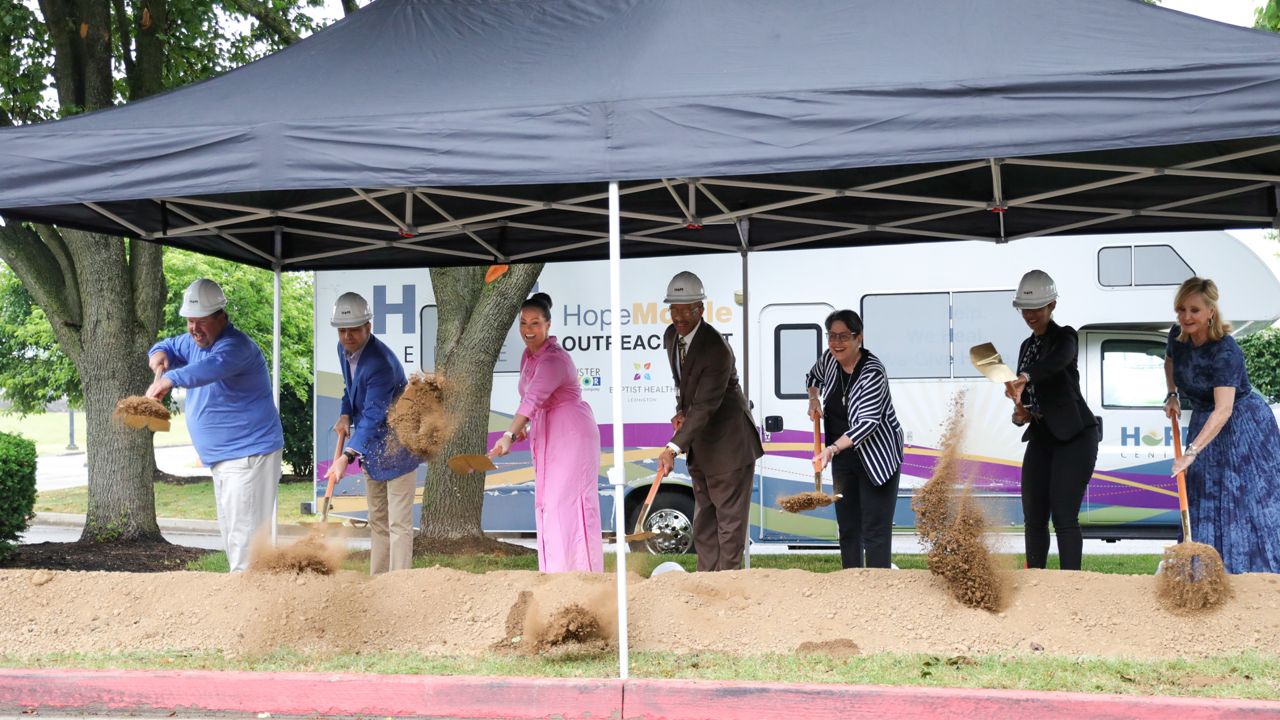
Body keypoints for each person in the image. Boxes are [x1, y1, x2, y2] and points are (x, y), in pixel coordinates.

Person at [146, 278, 283, 573]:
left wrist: (168, 379)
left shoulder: (236, 347)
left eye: (201, 321)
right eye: (189, 321)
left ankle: (248, 605)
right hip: (225, 458)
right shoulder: (195, 341)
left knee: (245, 540)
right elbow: (166, 345)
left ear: (221, 317)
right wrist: (157, 356)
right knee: (235, 534)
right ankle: (247, 599)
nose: (194, 329)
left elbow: (207, 369)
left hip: (248, 455)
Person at [1164, 277, 1280, 574]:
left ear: (1211, 312)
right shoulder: (1177, 335)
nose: (1185, 317)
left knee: (1239, 496)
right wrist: (1172, 394)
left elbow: (1224, 409)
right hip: (1206, 418)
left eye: (1194, 310)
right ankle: (1200, 571)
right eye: (1181, 309)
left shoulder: (1225, 351)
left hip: (1242, 426)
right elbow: (1169, 362)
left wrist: (1191, 452)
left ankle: (1249, 574)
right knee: (1202, 491)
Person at [657, 271, 763, 572]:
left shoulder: (716, 349)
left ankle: (728, 589)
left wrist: (673, 447)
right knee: (704, 519)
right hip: (702, 446)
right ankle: (705, 582)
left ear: (700, 309)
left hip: (730, 445)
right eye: (673, 309)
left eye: (685, 310)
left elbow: (705, 405)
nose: (678, 317)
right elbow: (685, 387)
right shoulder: (671, 337)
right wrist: (680, 410)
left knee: (729, 526)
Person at [489, 292, 603, 572]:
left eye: (535, 323)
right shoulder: (528, 357)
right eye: (524, 323)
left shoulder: (553, 360)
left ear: (548, 325)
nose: (528, 330)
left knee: (564, 503)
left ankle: (578, 572)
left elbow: (532, 400)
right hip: (548, 431)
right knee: (548, 503)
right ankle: (554, 570)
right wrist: (522, 430)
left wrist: (508, 435)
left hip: (571, 433)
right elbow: (530, 403)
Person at [1004, 269, 1099, 571]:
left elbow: (1055, 363)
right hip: (1043, 435)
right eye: (1025, 309)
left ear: (1052, 306)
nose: (1030, 314)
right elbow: (1029, 402)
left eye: (1037, 308)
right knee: (1033, 518)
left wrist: (1024, 376)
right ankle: (1037, 583)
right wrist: (1021, 413)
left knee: (1063, 516)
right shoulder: (1025, 347)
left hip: (1076, 436)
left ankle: (1070, 586)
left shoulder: (1065, 337)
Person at [324, 292, 421, 575]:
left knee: (398, 524)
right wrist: (344, 414)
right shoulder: (344, 350)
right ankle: (378, 582)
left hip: (397, 446)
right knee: (378, 520)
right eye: (342, 330)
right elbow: (350, 390)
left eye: (354, 329)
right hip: (371, 448)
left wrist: (346, 456)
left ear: (368, 326)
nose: (347, 336)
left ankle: (399, 585)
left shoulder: (381, 363)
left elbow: (372, 416)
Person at [808, 309, 904, 569]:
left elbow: (867, 423)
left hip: (877, 458)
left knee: (875, 530)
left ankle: (877, 588)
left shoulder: (873, 372)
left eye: (843, 337)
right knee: (848, 526)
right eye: (831, 336)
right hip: (843, 458)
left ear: (859, 337)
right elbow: (812, 377)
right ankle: (851, 584)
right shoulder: (829, 359)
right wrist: (814, 398)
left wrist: (831, 449)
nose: (836, 343)